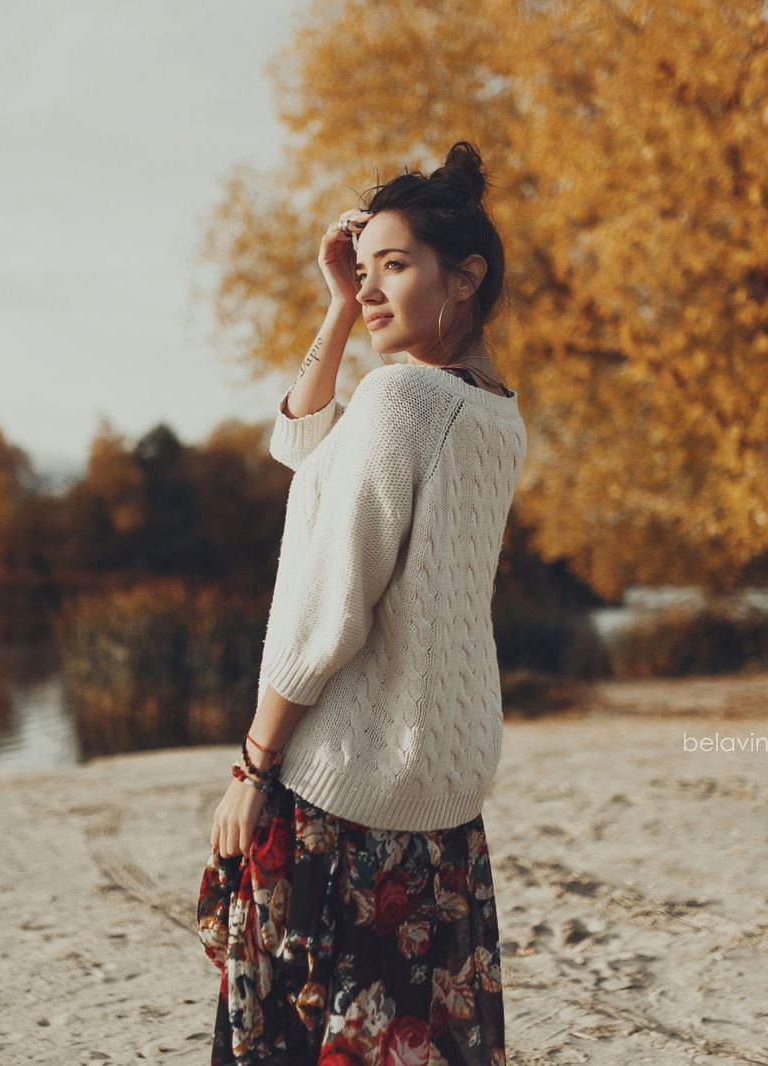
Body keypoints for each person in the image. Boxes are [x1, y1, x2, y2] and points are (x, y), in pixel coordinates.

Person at [196, 140, 525, 1066]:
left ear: (464, 278)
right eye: (366, 267)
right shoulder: (494, 409)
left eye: (395, 267)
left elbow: (327, 607)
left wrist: (253, 766)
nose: (374, 287)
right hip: (442, 789)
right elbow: (304, 450)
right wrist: (339, 305)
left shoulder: (399, 403)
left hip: (350, 793)